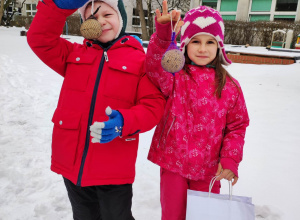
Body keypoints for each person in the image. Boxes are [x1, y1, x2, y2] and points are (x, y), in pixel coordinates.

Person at [27, 0, 166, 219]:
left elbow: (153, 106)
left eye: (106, 15)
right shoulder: (74, 55)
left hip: (113, 169)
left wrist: (124, 122)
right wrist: (57, 6)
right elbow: (39, 39)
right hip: (73, 166)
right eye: (91, 18)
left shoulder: (141, 61)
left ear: (120, 19)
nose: (100, 22)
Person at [145, 1, 250, 219]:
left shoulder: (230, 86)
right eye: (195, 41)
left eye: (210, 42)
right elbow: (156, 69)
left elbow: (237, 127)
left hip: (209, 171)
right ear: (184, 44)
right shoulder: (174, 75)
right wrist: (164, 36)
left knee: (203, 216)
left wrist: (230, 159)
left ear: (219, 45)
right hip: (174, 164)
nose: (203, 48)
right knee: (173, 214)